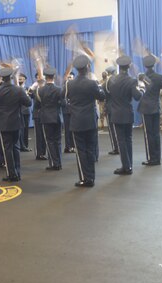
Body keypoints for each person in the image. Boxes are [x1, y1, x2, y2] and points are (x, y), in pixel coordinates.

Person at [64, 55, 105, 187]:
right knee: (90, 149)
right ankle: (91, 177)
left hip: (76, 120)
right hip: (90, 120)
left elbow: (61, 98)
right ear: (88, 67)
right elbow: (101, 97)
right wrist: (99, 86)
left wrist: (70, 107)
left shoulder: (69, 84)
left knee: (80, 151)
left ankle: (84, 178)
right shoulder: (92, 83)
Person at [0, 67, 32, 182]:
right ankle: (17, 173)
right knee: (16, 147)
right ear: (10, 77)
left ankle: (11, 174)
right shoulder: (18, 90)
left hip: (3, 123)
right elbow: (28, 103)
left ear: (1, 78)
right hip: (16, 122)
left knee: (7, 149)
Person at [108, 56, 142, 175]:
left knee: (121, 140)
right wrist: (141, 89)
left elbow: (107, 95)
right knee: (128, 140)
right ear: (128, 67)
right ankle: (129, 165)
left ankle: (126, 166)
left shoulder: (112, 80)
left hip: (116, 113)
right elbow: (137, 96)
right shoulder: (132, 81)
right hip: (128, 113)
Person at [138, 54, 162, 166]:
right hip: (156, 107)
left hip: (146, 108)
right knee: (156, 134)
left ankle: (151, 158)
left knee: (148, 134)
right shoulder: (159, 77)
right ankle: (157, 158)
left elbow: (140, 92)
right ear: (154, 64)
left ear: (145, 65)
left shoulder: (142, 77)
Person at [37, 67, 63, 170]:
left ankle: (54, 163)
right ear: (54, 77)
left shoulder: (40, 90)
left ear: (45, 77)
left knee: (50, 141)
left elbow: (37, 105)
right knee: (58, 141)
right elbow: (62, 103)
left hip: (46, 117)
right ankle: (59, 162)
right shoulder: (59, 89)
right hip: (57, 116)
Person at [29, 73, 47, 160]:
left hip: (46, 115)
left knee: (45, 135)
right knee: (39, 135)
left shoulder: (46, 89)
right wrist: (32, 88)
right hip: (37, 114)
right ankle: (39, 153)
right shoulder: (34, 90)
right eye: (38, 78)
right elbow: (28, 96)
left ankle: (44, 152)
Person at [102, 66, 119, 155]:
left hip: (110, 107)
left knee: (112, 129)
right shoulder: (119, 80)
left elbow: (102, 94)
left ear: (108, 73)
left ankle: (116, 148)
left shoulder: (107, 82)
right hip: (119, 107)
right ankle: (120, 146)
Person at [18, 73, 32, 152]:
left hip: (26, 111)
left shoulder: (28, 88)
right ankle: (20, 146)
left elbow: (32, 98)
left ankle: (25, 145)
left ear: (25, 80)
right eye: (19, 78)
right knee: (20, 130)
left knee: (26, 129)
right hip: (18, 112)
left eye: (22, 78)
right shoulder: (15, 88)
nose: (20, 80)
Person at [62, 72, 75, 153]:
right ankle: (68, 146)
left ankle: (73, 146)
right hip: (67, 111)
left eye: (71, 77)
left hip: (74, 111)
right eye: (68, 77)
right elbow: (62, 98)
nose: (69, 79)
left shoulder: (75, 87)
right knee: (67, 130)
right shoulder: (64, 87)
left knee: (74, 129)